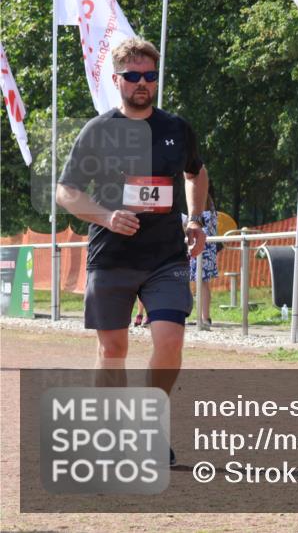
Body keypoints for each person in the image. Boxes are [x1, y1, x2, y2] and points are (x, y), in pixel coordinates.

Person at [56, 37, 208, 467]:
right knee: (114, 349)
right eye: (134, 76)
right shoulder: (98, 131)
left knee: (170, 339)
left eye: (150, 76)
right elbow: (66, 191)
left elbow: (196, 173)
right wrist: (105, 217)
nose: (143, 84)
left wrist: (195, 219)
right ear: (117, 78)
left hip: (166, 256)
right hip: (112, 256)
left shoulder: (176, 128)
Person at [183, 182, 220, 328]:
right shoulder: (211, 207)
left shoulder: (202, 208)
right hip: (208, 249)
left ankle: (203, 318)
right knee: (203, 283)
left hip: (202, 249)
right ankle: (204, 316)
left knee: (202, 283)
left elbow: (195, 227)